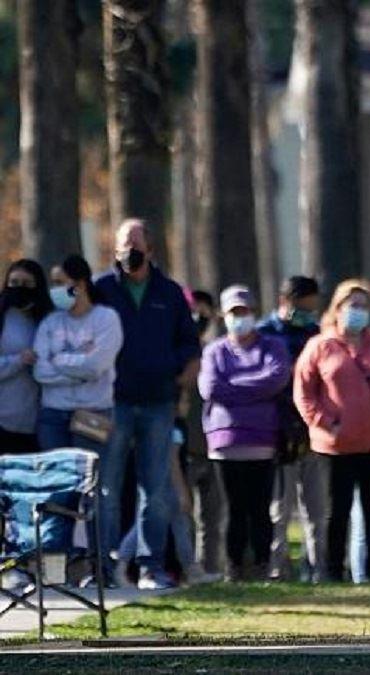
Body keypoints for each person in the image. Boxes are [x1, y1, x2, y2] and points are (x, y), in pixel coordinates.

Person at [95, 219, 201, 589]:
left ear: (150, 249)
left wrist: (177, 375)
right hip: (114, 402)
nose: (129, 252)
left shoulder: (169, 293)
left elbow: (189, 344)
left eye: (136, 245)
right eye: (123, 245)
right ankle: (105, 567)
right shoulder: (102, 289)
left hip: (158, 403)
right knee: (107, 488)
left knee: (155, 490)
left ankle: (150, 566)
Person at [294, 279, 370, 584]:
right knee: (335, 512)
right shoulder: (320, 346)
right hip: (333, 446)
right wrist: (326, 422)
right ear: (337, 308)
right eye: (352, 305)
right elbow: (304, 393)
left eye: (363, 306)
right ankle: (333, 571)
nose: (358, 311)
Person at [199, 286, 292, 581]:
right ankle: (235, 567)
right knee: (234, 508)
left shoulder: (273, 346)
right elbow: (210, 388)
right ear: (223, 315)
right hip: (224, 442)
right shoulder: (214, 351)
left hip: (262, 440)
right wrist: (255, 389)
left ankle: (262, 565)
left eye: (244, 311)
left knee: (260, 507)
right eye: (233, 312)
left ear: (254, 312)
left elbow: (276, 378)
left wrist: (233, 387)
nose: (240, 317)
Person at [258, 276, 329, 582]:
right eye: (303, 307)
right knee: (280, 509)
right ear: (285, 301)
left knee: (316, 508)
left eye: (312, 308)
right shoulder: (264, 334)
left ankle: (318, 569)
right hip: (277, 430)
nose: (307, 314)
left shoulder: (317, 334)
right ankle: (277, 569)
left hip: (313, 429)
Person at [33, 255, 123, 456]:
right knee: (56, 474)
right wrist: (81, 366)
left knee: (89, 474)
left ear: (80, 285)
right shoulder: (50, 323)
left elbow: (96, 366)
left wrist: (58, 359)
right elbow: (40, 371)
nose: (55, 289)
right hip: (53, 416)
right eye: (53, 283)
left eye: (60, 282)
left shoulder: (106, 319)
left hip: (93, 413)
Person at [182, 289, 225, 576]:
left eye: (204, 314)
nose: (198, 319)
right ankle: (186, 568)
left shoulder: (216, 353)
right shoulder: (176, 354)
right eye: (192, 312)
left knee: (213, 518)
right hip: (183, 448)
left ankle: (211, 570)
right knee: (183, 514)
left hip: (214, 446)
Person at [0, 259, 53, 455]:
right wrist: (18, 361)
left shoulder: (47, 319)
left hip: (38, 421)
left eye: (26, 283)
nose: (19, 288)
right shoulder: (3, 318)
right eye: (14, 282)